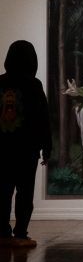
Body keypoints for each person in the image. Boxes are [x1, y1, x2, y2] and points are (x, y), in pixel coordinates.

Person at [0, 40, 51, 248]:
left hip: (2, 149)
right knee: (24, 192)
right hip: (26, 149)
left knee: (2, 191)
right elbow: (43, 118)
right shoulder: (34, 84)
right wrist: (47, 147)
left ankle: (2, 232)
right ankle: (21, 232)